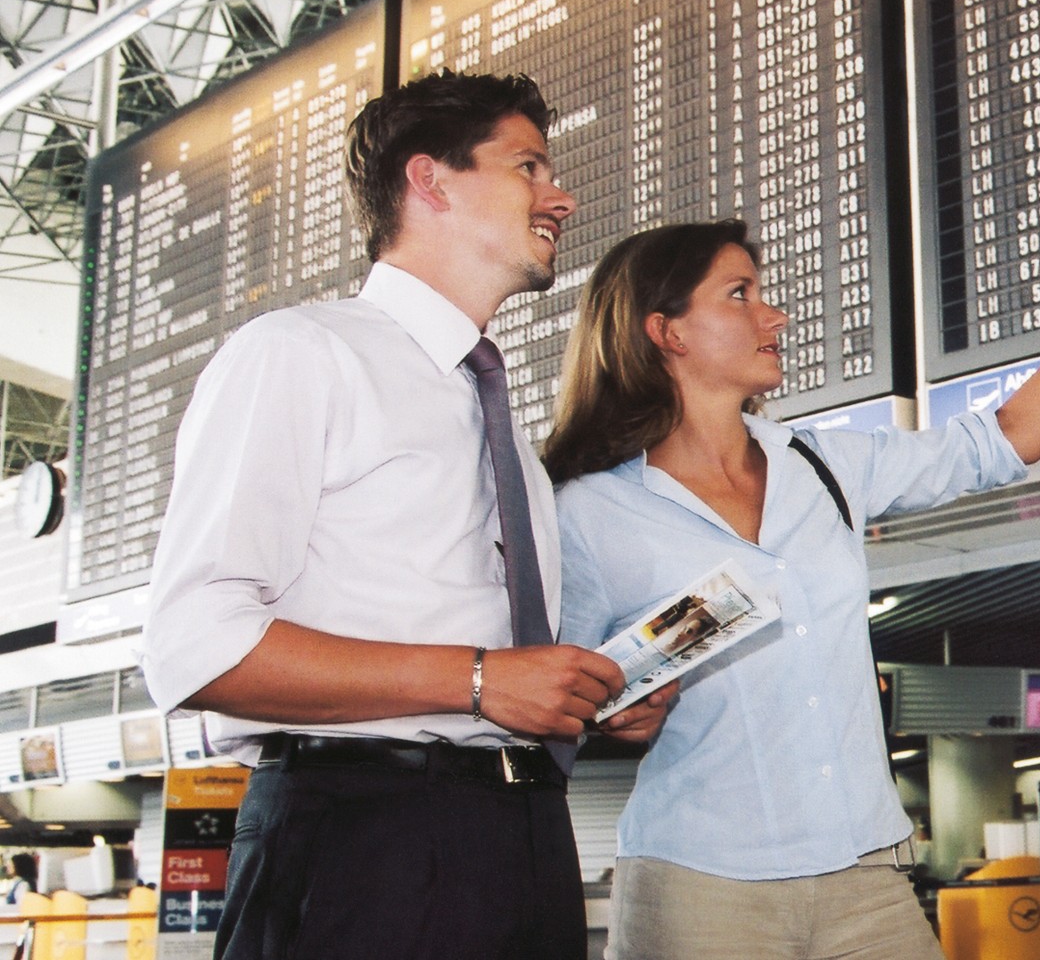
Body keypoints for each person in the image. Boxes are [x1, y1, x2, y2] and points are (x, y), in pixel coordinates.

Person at [546, 175, 1040, 959]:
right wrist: (613, 716)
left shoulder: (823, 466)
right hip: (701, 885)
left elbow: (1004, 441)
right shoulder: (587, 511)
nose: (774, 315)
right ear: (668, 332)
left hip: (866, 873)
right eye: (741, 295)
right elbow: (563, 696)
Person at [140, 70, 672, 960]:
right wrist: (478, 680)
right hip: (362, 841)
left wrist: (593, 697)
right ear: (430, 181)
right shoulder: (300, 352)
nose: (561, 196)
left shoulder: (500, 427)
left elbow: (493, 663)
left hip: (522, 832)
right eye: (529, 166)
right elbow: (196, 645)